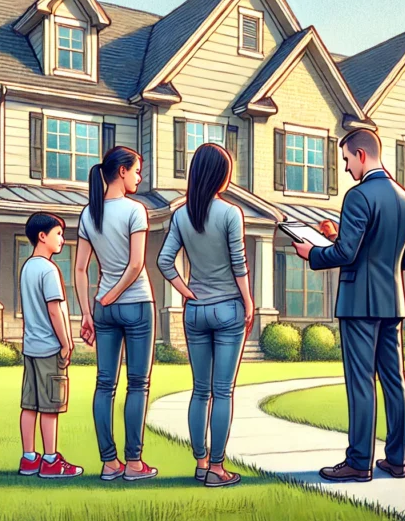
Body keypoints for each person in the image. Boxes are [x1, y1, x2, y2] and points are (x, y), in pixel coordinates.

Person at [292, 129, 405, 483]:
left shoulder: (359, 196)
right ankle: (396, 460)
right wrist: (338, 237)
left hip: (359, 302)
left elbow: (347, 253)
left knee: (361, 382)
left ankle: (359, 462)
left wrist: (313, 252)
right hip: (392, 303)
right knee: (395, 382)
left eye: (347, 159)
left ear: (362, 155)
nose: (346, 168)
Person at [157, 143, 254, 488]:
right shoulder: (231, 214)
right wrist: (249, 301)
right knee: (223, 391)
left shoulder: (181, 215)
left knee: (201, 391)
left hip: (195, 312)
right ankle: (217, 467)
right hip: (228, 307)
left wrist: (186, 292)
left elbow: (164, 261)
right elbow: (239, 264)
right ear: (219, 175)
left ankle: (200, 463)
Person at [75, 146, 158, 482]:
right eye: (137, 170)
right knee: (137, 383)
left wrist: (87, 312)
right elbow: (137, 264)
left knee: (104, 384)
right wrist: (112, 295)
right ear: (121, 171)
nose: (139, 177)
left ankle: (109, 464)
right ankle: (134, 464)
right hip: (136, 304)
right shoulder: (134, 210)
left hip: (103, 310)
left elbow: (80, 269)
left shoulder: (88, 214)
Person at [17, 212, 84, 479]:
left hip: (30, 347)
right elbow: (55, 310)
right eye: (57, 233)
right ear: (42, 236)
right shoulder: (48, 270)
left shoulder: (27, 268)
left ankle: (29, 458)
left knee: (29, 405)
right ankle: (51, 460)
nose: (61, 239)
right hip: (49, 348)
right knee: (51, 406)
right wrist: (66, 343)